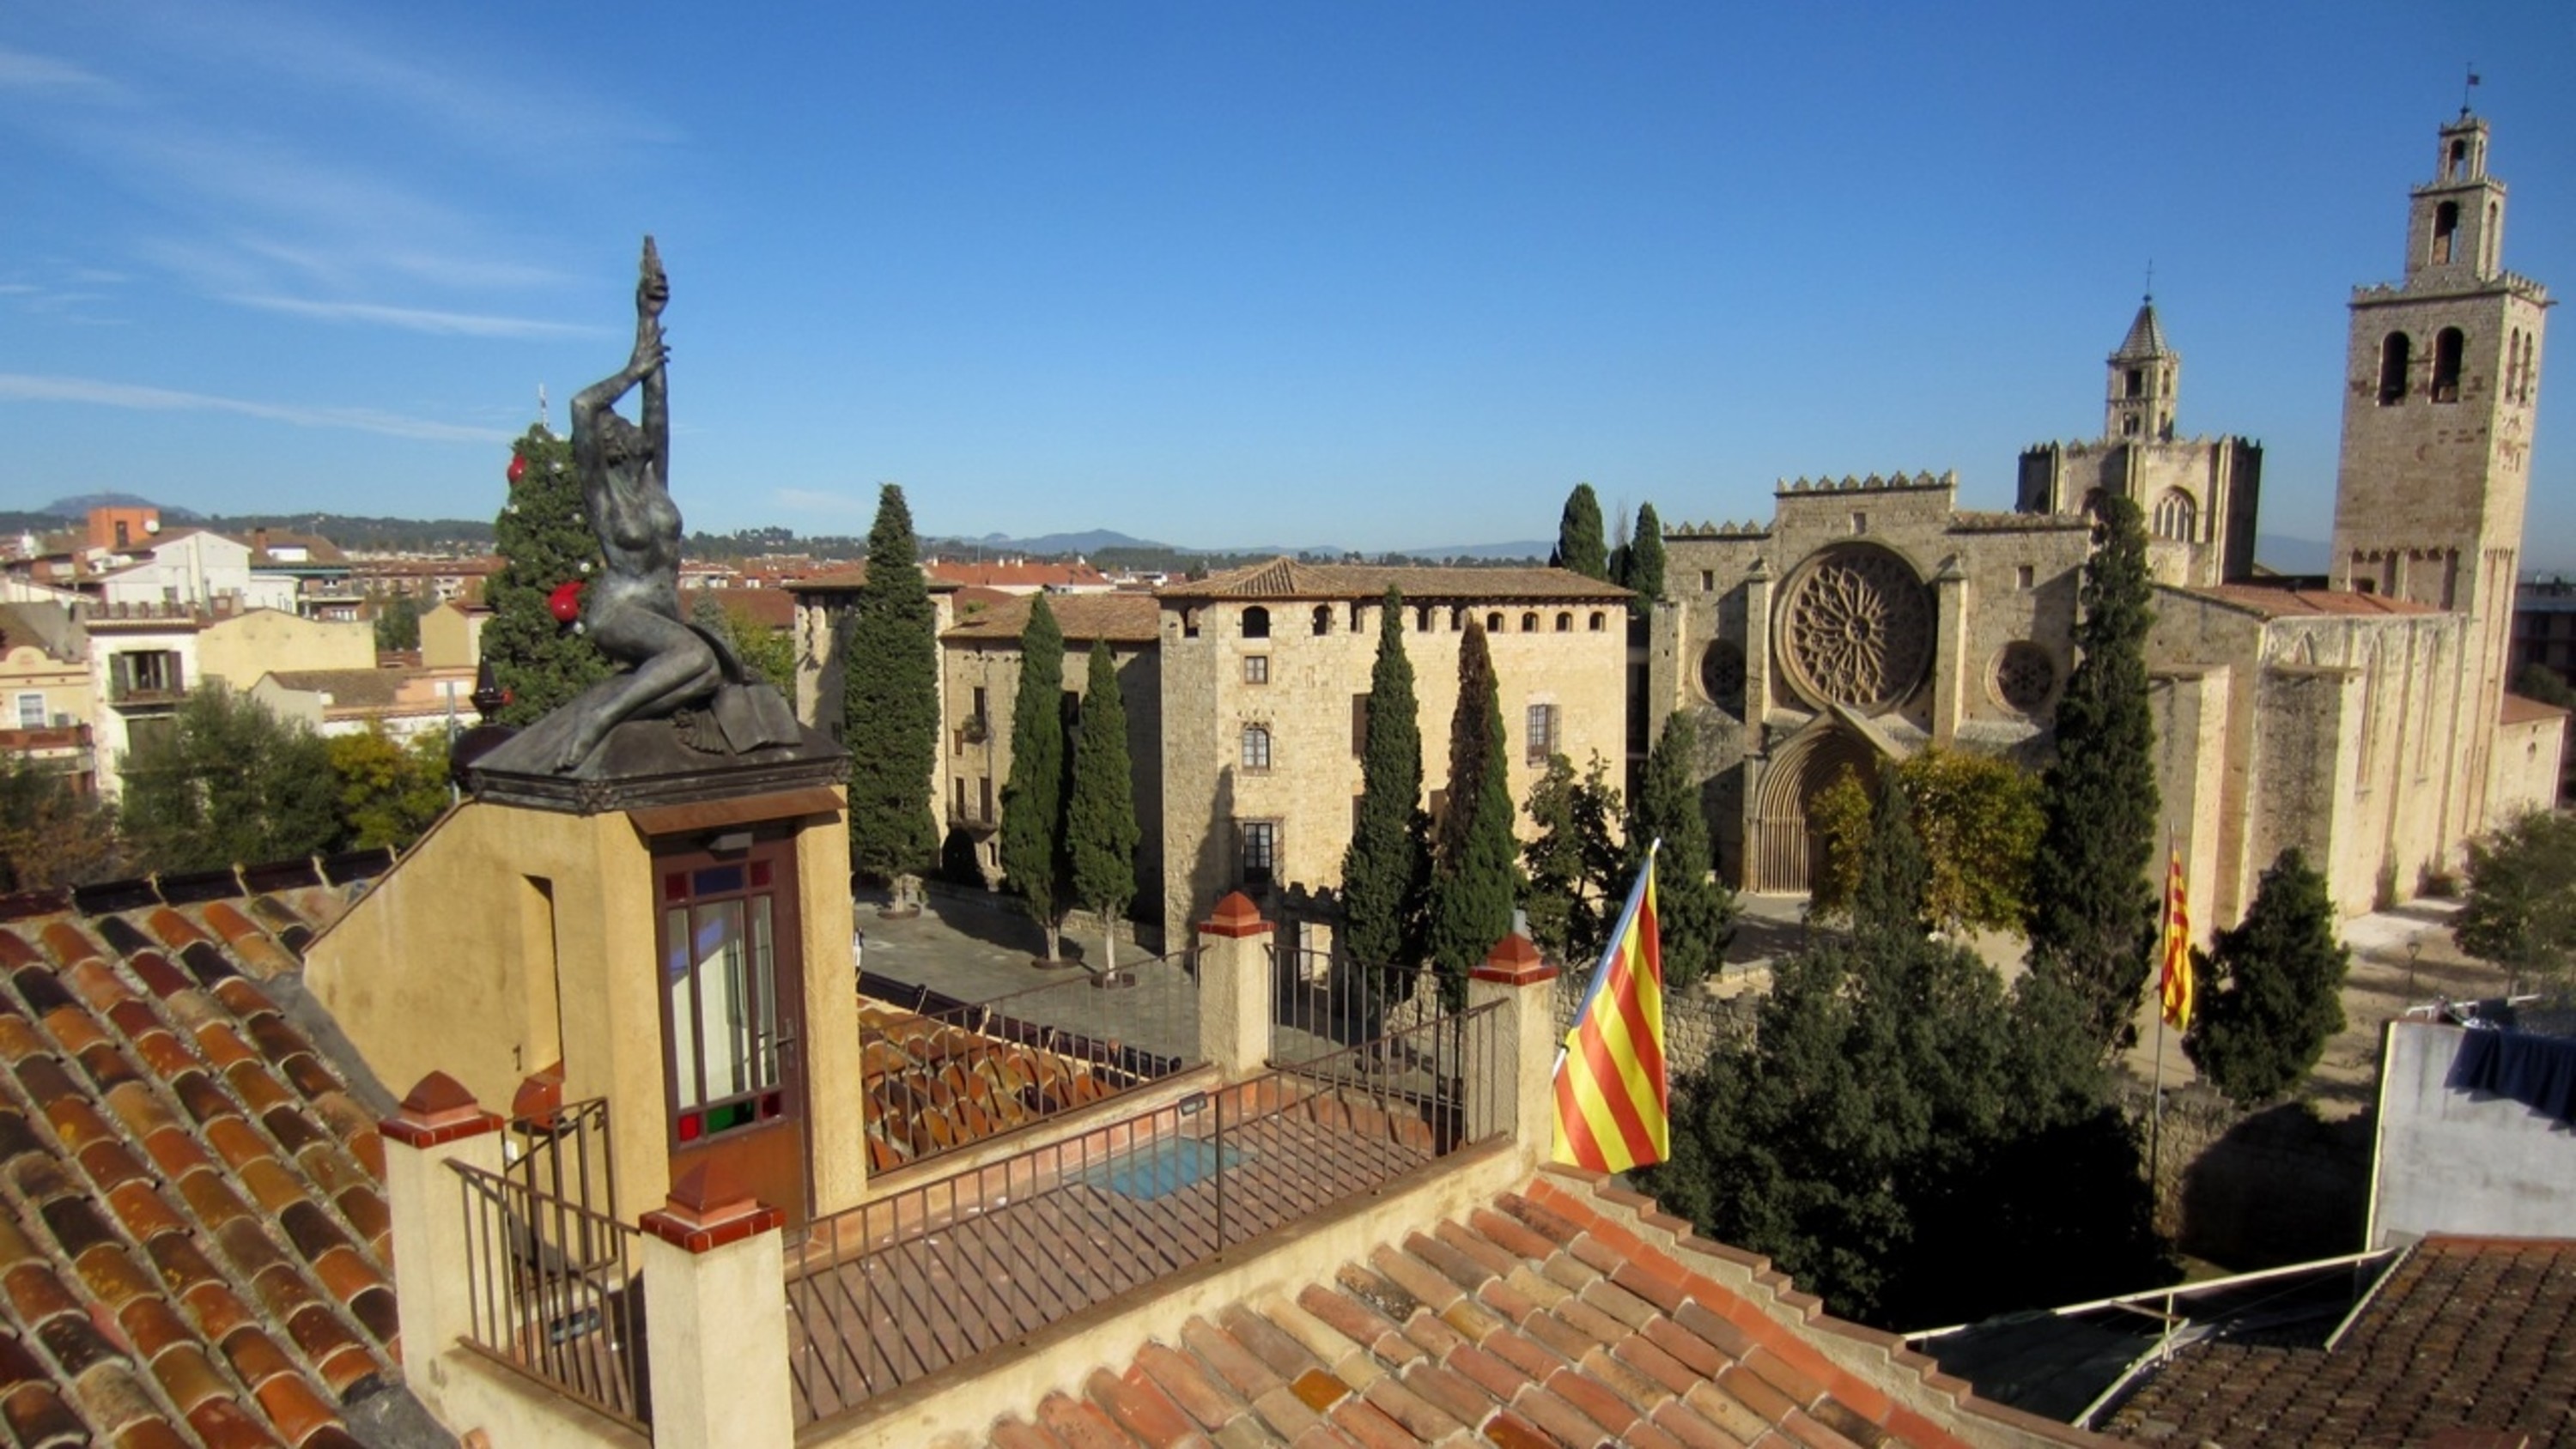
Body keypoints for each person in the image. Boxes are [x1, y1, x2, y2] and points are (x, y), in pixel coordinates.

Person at [549, 238, 725, 772]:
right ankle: (598, 719)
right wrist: (629, 370)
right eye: (617, 425)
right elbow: (582, 405)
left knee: (710, 675)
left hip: (660, 612)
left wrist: (648, 316)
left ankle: (624, 715)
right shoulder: (604, 495)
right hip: (620, 611)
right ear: (605, 447)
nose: (629, 425)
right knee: (695, 657)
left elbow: (658, 400)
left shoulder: (654, 479)